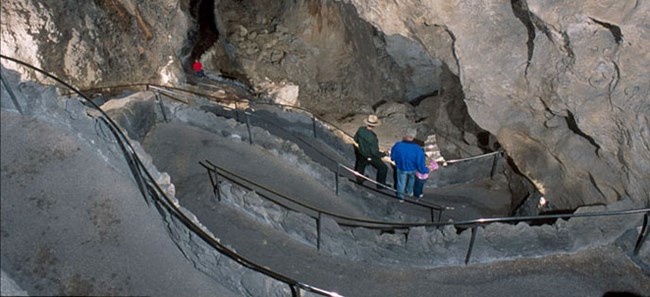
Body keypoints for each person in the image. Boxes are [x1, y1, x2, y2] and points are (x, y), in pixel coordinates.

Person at [390, 128, 429, 201]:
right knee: (412, 179)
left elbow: (393, 156)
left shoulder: (398, 145)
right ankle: (409, 191)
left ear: (405, 135)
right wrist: (425, 170)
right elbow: (420, 162)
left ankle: (400, 197)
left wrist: (396, 161)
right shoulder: (417, 149)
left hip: (401, 167)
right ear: (413, 137)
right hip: (412, 168)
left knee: (401, 182)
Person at [354, 115, 388, 189]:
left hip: (361, 152)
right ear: (374, 126)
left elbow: (356, 139)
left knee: (361, 166)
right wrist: (384, 154)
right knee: (383, 168)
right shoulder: (373, 137)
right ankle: (380, 185)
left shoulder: (361, 129)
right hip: (369, 156)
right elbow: (374, 152)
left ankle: (359, 180)